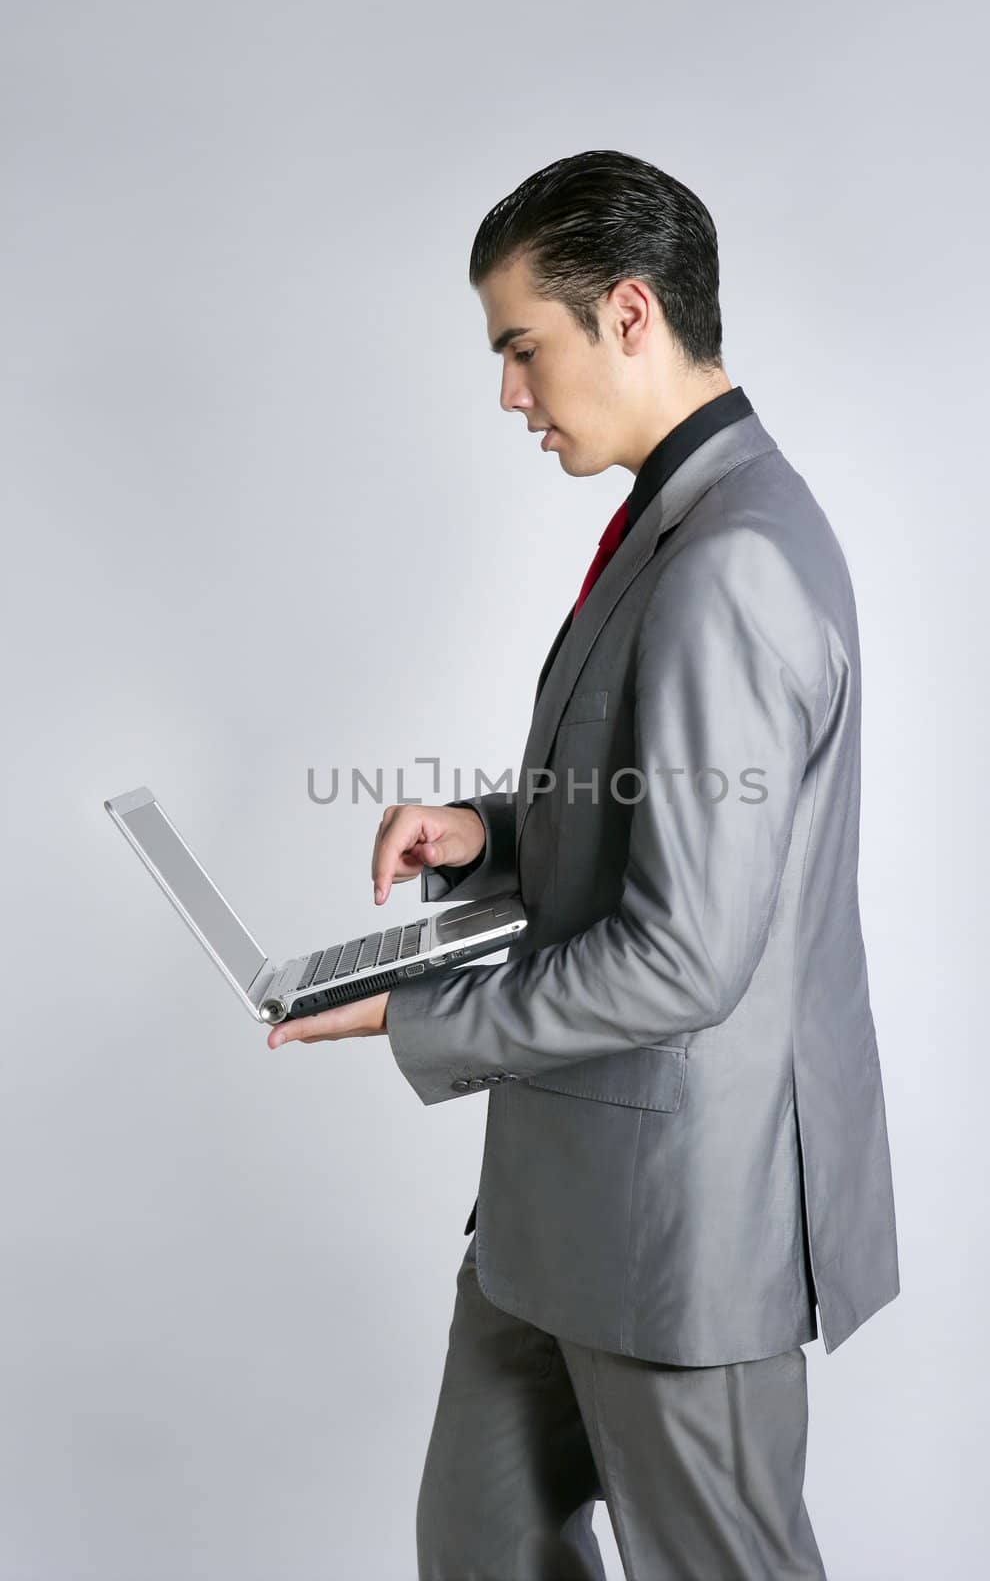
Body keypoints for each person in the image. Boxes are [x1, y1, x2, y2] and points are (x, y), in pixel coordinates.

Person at [266, 149, 900, 1581]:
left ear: (626, 314)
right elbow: (672, 808)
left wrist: (410, 1014)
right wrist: (492, 831)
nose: (509, 395)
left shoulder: (732, 556)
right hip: (564, 1199)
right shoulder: (680, 520)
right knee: (481, 1543)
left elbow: (685, 955)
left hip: (682, 1221)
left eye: (520, 348)